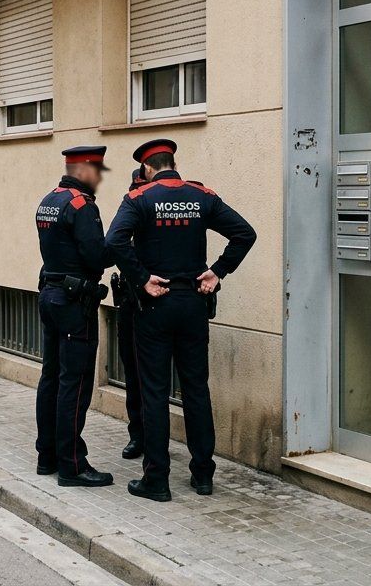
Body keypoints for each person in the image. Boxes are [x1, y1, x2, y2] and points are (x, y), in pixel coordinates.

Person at [105, 139, 256, 502]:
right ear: (172, 162)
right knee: (196, 390)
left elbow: (114, 243)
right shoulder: (201, 196)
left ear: (145, 168)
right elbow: (244, 233)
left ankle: (156, 480)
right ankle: (203, 475)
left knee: (154, 392)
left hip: (154, 305)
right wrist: (218, 271)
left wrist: (141, 277)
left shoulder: (139, 198)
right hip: (193, 304)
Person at [34, 146, 114, 489]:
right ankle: (72, 466)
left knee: (51, 376)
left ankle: (47, 456)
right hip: (73, 302)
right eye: (97, 171)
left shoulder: (48, 200)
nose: (99, 177)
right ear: (82, 169)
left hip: (50, 293)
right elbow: (96, 257)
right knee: (75, 382)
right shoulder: (82, 206)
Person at [109, 167, 147, 461]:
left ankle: (153, 437)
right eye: (135, 188)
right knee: (132, 373)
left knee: (153, 377)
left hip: (157, 305)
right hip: (130, 303)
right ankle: (138, 435)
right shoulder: (128, 217)